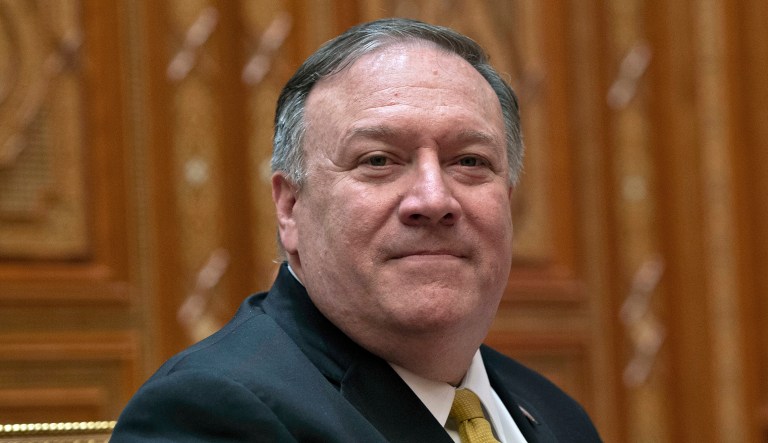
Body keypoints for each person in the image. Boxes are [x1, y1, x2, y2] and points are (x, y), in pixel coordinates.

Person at [111, 18, 601, 442]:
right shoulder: (211, 414)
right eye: (379, 160)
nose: (434, 200)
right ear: (290, 207)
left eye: (470, 161)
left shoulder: (556, 414)